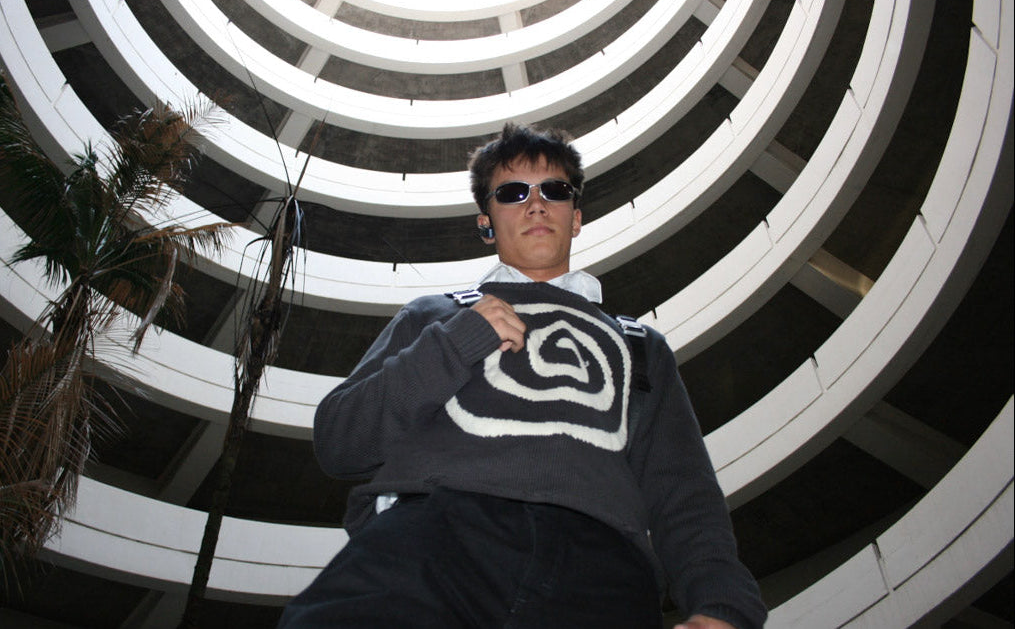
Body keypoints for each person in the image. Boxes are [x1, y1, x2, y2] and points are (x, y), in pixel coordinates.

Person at [278, 124, 767, 629]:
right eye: (513, 193)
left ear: (575, 218)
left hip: (602, 575)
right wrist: (457, 342)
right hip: (433, 540)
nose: (536, 205)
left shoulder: (639, 345)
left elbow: (682, 487)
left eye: (554, 190)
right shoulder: (435, 315)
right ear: (486, 223)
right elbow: (340, 441)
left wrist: (722, 604)